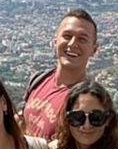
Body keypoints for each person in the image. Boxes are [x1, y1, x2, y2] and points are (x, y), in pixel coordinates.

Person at [22, 8, 99, 140]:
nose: (72, 44)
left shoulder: (86, 101)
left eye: (82, 39)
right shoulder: (39, 80)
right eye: (67, 36)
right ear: (55, 41)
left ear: (94, 49)